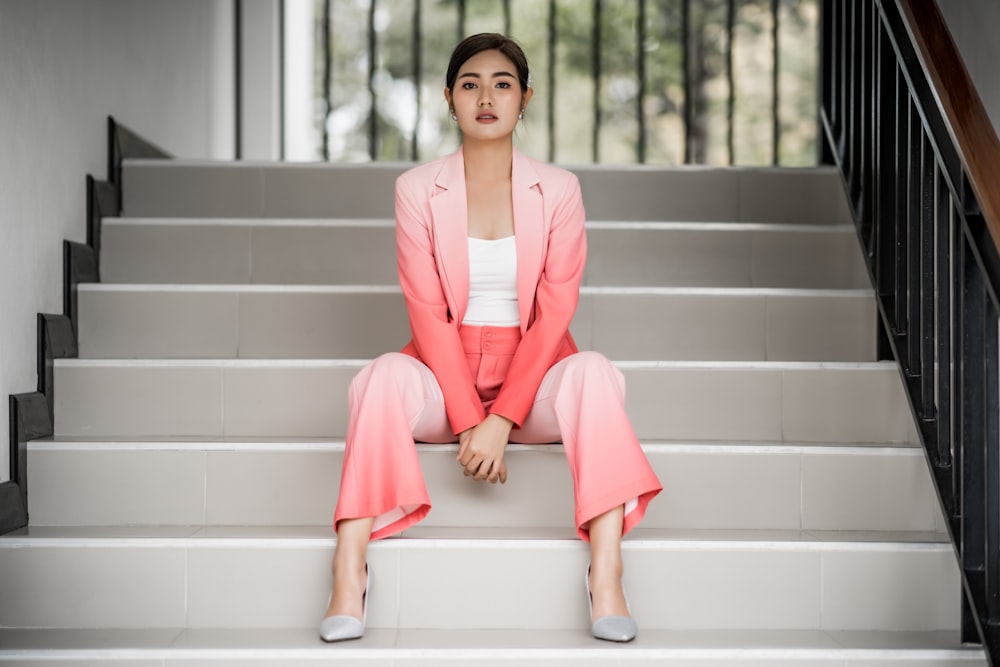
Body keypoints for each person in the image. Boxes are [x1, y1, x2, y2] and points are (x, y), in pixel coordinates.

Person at [320, 32, 662, 644]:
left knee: (595, 372)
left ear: (524, 98)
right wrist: (463, 415)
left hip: (534, 374)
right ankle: (348, 570)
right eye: (470, 84)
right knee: (378, 377)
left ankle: (606, 573)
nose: (486, 97)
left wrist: (502, 418)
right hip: (442, 365)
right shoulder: (416, 189)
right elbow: (426, 309)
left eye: (502, 84)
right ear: (449, 98)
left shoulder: (558, 190)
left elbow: (556, 309)